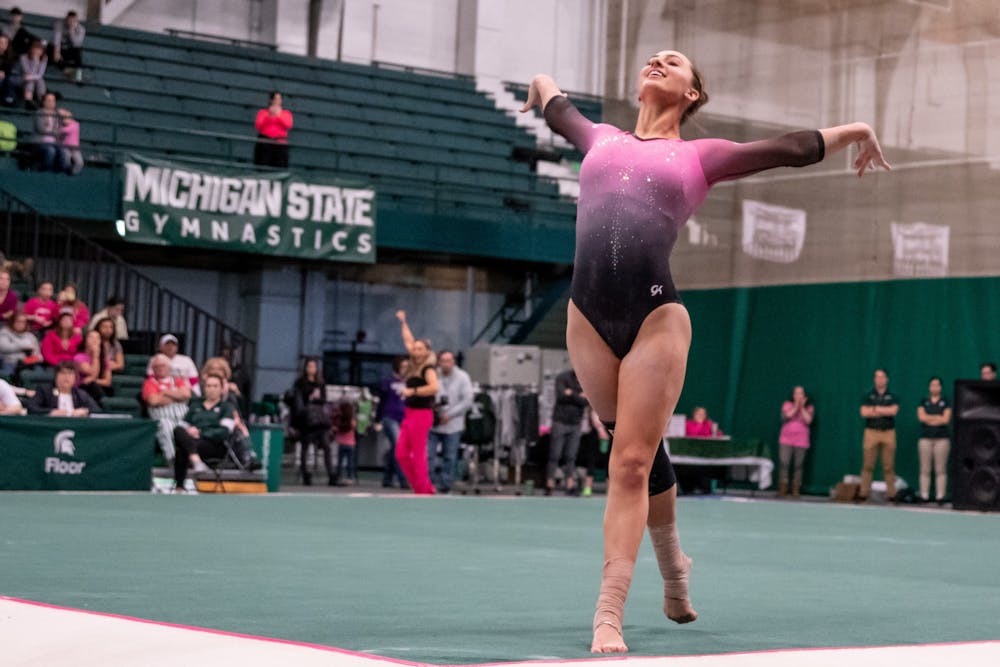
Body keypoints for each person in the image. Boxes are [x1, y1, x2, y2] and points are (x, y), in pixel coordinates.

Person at [521, 47, 889, 652]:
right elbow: (556, 106)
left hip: (656, 318)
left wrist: (858, 130)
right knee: (634, 449)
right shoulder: (600, 137)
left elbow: (787, 149)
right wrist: (540, 84)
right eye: (654, 58)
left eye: (676, 61)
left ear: (693, 93)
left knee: (631, 463)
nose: (659, 60)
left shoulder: (700, 156)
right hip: (586, 318)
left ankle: (608, 612)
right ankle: (675, 571)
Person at [394, 309, 438, 495]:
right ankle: (422, 487)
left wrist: (413, 391)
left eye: (421, 349)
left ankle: (423, 490)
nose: (416, 351)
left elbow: (434, 387)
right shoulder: (414, 366)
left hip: (422, 415)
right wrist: (404, 322)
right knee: (401, 454)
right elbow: (408, 340)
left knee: (418, 454)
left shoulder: (427, 369)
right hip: (409, 413)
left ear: (427, 352)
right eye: (415, 349)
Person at [171, 373, 235, 492]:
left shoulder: (227, 407)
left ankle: (180, 486)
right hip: (193, 442)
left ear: (221, 389)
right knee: (178, 431)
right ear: (204, 388)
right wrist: (189, 431)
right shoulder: (195, 405)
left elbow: (225, 432)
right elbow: (182, 427)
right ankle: (195, 462)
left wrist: (201, 433)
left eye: (215, 386)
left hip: (214, 445)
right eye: (208, 386)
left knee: (183, 449)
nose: (211, 389)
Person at [427, 349, 473, 494]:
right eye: (443, 361)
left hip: (453, 424)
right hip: (434, 423)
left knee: (450, 456)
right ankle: (428, 483)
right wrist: (435, 410)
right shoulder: (433, 375)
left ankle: (445, 485)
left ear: (453, 362)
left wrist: (450, 415)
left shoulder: (463, 377)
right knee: (428, 455)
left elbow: (467, 401)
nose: (446, 364)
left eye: (449, 361)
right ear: (439, 362)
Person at [142, 353, 192, 467]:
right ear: (153, 369)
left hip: (182, 417)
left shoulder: (178, 380)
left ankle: (192, 460)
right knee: (165, 426)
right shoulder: (149, 383)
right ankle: (172, 461)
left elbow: (186, 394)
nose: (160, 368)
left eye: (163, 365)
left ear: (169, 367)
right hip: (162, 418)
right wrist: (176, 396)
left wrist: (164, 392)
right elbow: (153, 401)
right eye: (157, 366)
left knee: (190, 429)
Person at [291, 357, 334, 485]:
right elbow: (297, 403)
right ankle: (306, 475)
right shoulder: (300, 383)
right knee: (305, 446)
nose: (311, 369)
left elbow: (324, 400)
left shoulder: (321, 383)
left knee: (327, 445)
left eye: (313, 367)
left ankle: (331, 475)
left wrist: (317, 399)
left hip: (320, 421)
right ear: (305, 368)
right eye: (309, 366)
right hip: (306, 420)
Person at [858, 368, 899, 502]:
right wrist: (883, 410)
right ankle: (864, 493)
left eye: (882, 377)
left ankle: (892, 494)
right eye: (877, 377)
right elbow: (864, 412)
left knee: (888, 465)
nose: (879, 379)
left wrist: (875, 409)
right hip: (871, 432)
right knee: (867, 464)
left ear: (887, 379)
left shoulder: (892, 395)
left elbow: (893, 411)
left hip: (888, 433)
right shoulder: (868, 395)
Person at [546, 368, 588, 496]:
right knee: (555, 455)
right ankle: (549, 484)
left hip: (575, 422)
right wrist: (578, 395)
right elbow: (561, 396)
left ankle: (570, 485)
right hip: (560, 421)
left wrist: (571, 393)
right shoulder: (562, 377)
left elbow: (586, 401)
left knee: (571, 456)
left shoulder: (586, 379)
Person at [917, 377, 951, 505]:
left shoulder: (945, 402)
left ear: (940, 387)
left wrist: (930, 418)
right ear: (929, 387)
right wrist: (937, 418)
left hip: (942, 439)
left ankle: (940, 496)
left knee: (940, 469)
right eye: (932, 385)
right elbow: (921, 417)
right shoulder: (924, 401)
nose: (934, 387)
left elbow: (946, 419)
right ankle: (924, 495)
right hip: (925, 438)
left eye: (937, 385)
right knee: (925, 469)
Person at [377, 356, 409, 489]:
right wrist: (377, 420)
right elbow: (382, 402)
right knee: (399, 445)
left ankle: (387, 478)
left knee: (394, 449)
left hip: (404, 418)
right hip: (390, 418)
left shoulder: (410, 384)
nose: (406, 370)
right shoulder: (388, 382)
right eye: (403, 367)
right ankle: (403, 479)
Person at [27, 360, 100, 416]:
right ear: (56, 376)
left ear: (75, 377)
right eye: (63, 373)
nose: (66, 377)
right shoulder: (45, 391)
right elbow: (31, 408)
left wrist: (85, 411)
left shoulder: (80, 394)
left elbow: (97, 410)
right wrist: (51, 412)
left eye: (70, 373)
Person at [778, 386, 814, 498]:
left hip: (801, 441)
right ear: (793, 395)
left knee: (799, 465)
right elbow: (787, 416)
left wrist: (802, 407)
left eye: (801, 394)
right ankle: (783, 488)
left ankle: (795, 489)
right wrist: (796, 406)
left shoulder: (809, 407)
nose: (798, 396)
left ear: (805, 396)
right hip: (786, 439)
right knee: (784, 462)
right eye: (796, 393)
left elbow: (808, 420)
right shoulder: (787, 405)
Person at [253, 91, 293, 168]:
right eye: (275, 99)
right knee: (263, 163)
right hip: (265, 141)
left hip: (280, 142)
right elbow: (258, 125)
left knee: (279, 164)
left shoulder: (286, 113)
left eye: (279, 99)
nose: (277, 101)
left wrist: (278, 116)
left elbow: (288, 125)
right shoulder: (263, 112)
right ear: (271, 100)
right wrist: (269, 116)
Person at [73, 329, 112, 402]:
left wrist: (93, 380)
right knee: (92, 386)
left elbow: (107, 381)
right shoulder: (79, 357)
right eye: (91, 337)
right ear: (85, 341)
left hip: (97, 386)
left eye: (98, 338)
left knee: (109, 389)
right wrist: (95, 356)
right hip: (81, 388)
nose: (95, 340)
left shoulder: (104, 358)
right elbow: (93, 373)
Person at [0, 311, 40, 377]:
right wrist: (24, 346)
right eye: (18, 321)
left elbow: (37, 354)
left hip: (28, 364)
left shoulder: (30, 336)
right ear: (12, 322)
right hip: (11, 363)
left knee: (38, 373)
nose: (21, 324)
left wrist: (29, 360)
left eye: (23, 322)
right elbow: (4, 347)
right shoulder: (5, 332)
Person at [50, 10, 84, 79]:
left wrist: (71, 32)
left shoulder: (81, 29)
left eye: (73, 20)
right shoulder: (59, 24)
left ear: (77, 20)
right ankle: (65, 70)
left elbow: (77, 44)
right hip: (60, 48)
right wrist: (57, 51)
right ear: (66, 19)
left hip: (71, 49)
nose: (71, 22)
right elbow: (57, 39)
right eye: (69, 20)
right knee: (50, 48)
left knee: (78, 51)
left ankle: (78, 75)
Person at [15, 39, 46, 108]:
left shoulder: (44, 58)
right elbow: (27, 71)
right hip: (21, 78)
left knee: (40, 81)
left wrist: (36, 60)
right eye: (36, 49)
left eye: (40, 50)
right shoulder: (23, 57)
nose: (37, 52)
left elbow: (40, 74)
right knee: (31, 81)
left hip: (32, 78)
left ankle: (41, 101)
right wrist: (35, 62)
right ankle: (28, 101)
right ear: (31, 49)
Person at [332, 401, 358, 485]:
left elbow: (335, 430)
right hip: (351, 444)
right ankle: (350, 477)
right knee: (350, 462)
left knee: (340, 462)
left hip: (341, 444)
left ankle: (339, 477)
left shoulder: (340, 422)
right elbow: (355, 428)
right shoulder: (352, 422)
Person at [57, 108, 83, 175]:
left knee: (80, 162)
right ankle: (65, 171)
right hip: (65, 147)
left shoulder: (76, 124)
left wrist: (59, 128)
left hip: (74, 148)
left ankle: (72, 172)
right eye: (64, 118)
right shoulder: (61, 125)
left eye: (68, 117)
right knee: (66, 158)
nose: (66, 119)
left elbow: (64, 130)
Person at [0, 34, 14, 106]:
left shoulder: (9, 56)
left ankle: (9, 98)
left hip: (5, 77)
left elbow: (9, 70)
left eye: (5, 43)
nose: (3, 45)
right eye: (1, 42)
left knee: (10, 80)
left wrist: (4, 73)